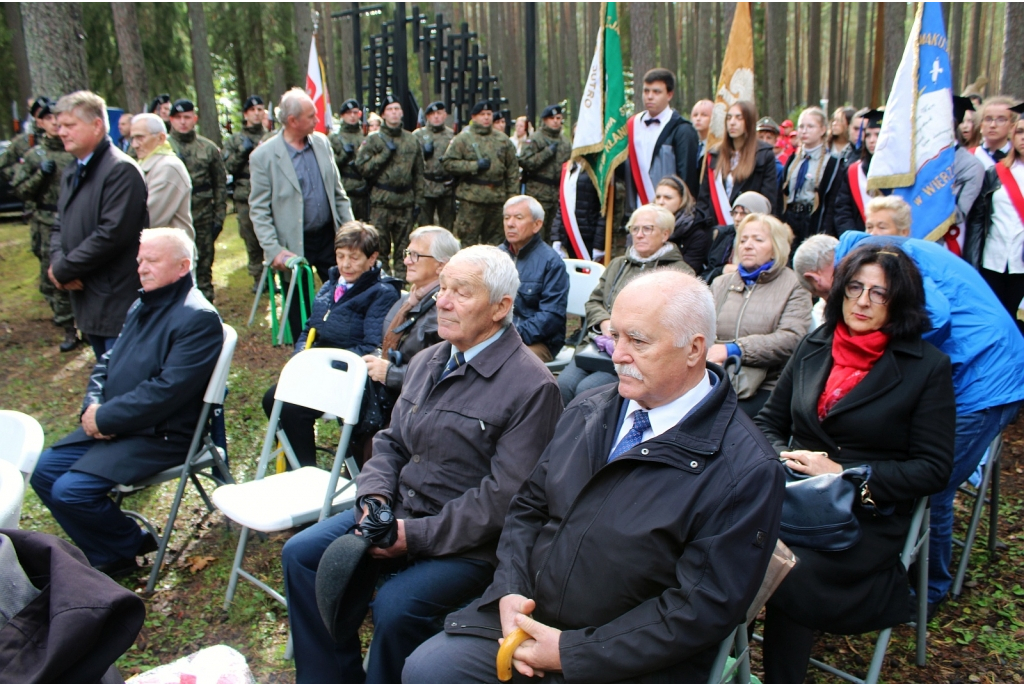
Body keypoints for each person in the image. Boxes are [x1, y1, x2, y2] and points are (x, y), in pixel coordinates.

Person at [404, 269, 787, 684]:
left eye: (637, 341)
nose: (617, 355)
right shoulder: (590, 408)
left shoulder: (744, 470)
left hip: (630, 663)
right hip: (531, 623)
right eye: (613, 337)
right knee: (428, 670)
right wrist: (510, 591)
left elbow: (701, 608)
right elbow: (528, 507)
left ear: (695, 350)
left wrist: (572, 653)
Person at [281, 245, 562, 683]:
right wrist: (373, 499)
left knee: (396, 606)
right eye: (443, 288)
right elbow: (390, 443)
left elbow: (503, 500)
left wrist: (413, 537)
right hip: (396, 513)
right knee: (302, 555)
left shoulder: (531, 386)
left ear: (500, 308)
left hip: (468, 545)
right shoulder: (429, 358)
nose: (442, 301)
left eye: (461, 292)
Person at [754, 244, 955, 683]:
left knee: (782, 566)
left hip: (863, 514)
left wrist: (846, 476)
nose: (862, 302)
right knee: (726, 541)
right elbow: (769, 421)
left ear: (900, 300)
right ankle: (716, 658)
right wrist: (782, 457)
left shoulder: (928, 368)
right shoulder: (816, 343)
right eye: (855, 288)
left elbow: (934, 469)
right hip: (792, 491)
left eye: (879, 294)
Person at [829, 229, 1024, 615]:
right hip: (980, 365)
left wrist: (884, 362)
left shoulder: (891, 264)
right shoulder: (897, 249)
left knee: (932, 486)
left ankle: (926, 589)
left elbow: (934, 315)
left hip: (984, 378)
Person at [31, 228, 223, 577]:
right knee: (44, 471)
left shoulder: (198, 317)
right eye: (140, 261)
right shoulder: (142, 302)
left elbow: (166, 392)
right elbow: (107, 360)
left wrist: (106, 419)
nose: (142, 268)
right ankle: (122, 544)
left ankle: (119, 551)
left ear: (182, 267)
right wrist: (93, 407)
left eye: (152, 260)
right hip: (119, 423)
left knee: (70, 492)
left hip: (161, 435)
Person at [261, 222, 402, 468]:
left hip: (348, 375)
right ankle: (300, 466)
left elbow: (370, 345)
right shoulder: (330, 285)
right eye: (340, 256)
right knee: (273, 398)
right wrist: (301, 358)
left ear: (372, 258)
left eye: (354, 258)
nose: (345, 264)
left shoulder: (381, 292)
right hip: (319, 368)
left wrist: (323, 366)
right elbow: (309, 330)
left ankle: (304, 472)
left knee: (292, 407)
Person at [558, 204, 693, 405]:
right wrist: (604, 322)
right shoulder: (618, 264)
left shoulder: (679, 273)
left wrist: (623, 332)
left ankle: (589, 436)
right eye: (634, 229)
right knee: (563, 385)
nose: (639, 235)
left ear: (665, 234)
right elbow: (594, 301)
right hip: (598, 346)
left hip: (636, 355)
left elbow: (673, 322)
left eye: (647, 229)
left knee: (587, 391)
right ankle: (564, 435)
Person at [48, 91, 150, 360]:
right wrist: (60, 268)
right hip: (87, 297)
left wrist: (63, 269)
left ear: (97, 125)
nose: (62, 132)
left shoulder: (120, 170)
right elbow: (60, 225)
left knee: (121, 383)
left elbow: (111, 234)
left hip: (116, 300)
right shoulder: (73, 170)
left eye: (70, 125)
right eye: (59, 126)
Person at [249, 88, 354, 335]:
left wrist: (351, 234)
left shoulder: (322, 143)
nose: (317, 121)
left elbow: (338, 193)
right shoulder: (264, 156)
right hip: (293, 246)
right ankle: (304, 358)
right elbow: (259, 210)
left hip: (331, 238)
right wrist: (273, 250)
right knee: (300, 312)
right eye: (311, 116)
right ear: (292, 121)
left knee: (347, 297)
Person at [708, 213, 812, 416]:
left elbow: (791, 338)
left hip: (766, 386)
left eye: (758, 239)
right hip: (714, 376)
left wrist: (734, 350)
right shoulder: (721, 283)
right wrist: (710, 353)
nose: (747, 245)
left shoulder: (794, 285)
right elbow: (699, 328)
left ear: (776, 246)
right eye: (743, 239)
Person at [362, 225, 460, 407]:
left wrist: (391, 374)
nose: (407, 261)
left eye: (416, 255)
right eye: (407, 253)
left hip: (420, 410)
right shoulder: (408, 299)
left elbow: (446, 374)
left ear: (441, 265)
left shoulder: (446, 311)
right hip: (394, 401)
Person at [10, 97, 78, 352]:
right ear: (41, 122)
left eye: (58, 119)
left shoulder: (76, 152)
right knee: (55, 275)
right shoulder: (35, 155)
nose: (54, 124)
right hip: (48, 222)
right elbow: (21, 191)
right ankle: (68, 328)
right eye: (49, 119)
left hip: (77, 219)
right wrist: (41, 174)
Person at [355, 94, 424, 280]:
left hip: (405, 202)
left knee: (404, 248)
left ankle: (402, 282)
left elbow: (418, 173)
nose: (394, 113)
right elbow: (362, 168)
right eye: (390, 110)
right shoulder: (373, 140)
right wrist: (384, 154)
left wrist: (418, 201)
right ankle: (383, 282)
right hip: (381, 203)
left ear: (402, 113)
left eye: (397, 109)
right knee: (380, 247)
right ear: (383, 114)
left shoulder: (411, 140)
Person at [966, 115, 1024, 336]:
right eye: (1020, 132)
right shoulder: (996, 173)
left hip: (1022, 265)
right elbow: (979, 221)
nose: (1023, 138)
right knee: (993, 323)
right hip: (993, 261)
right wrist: (972, 260)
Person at [167, 99, 226, 302]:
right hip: (172, 218)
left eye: (187, 117)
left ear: (195, 119)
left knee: (203, 269)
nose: (183, 122)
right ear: (170, 119)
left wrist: (219, 216)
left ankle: (206, 309)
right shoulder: (163, 147)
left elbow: (220, 184)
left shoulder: (208, 148)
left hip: (202, 218)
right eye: (178, 118)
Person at [498, 195, 569, 363]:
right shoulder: (496, 256)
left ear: (537, 225)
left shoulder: (551, 262)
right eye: (507, 218)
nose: (510, 223)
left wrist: (509, 336)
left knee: (504, 363)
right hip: (496, 336)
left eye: (518, 218)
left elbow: (551, 316)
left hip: (537, 342)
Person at [442, 100, 518, 246]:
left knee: (496, 243)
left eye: (489, 114)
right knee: (468, 241)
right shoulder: (463, 139)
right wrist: (474, 166)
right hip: (472, 200)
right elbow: (448, 163)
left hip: (497, 199)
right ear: (474, 117)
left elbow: (512, 171)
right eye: (482, 114)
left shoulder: (502, 140)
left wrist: (512, 199)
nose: (486, 117)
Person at [696, 101, 779, 232]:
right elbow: (704, 199)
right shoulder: (715, 154)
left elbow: (768, 199)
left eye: (738, 118)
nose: (732, 122)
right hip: (716, 230)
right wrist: (709, 228)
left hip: (749, 228)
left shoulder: (763, 155)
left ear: (749, 121)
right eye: (729, 118)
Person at [626, 68, 700, 205]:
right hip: (636, 209)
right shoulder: (632, 126)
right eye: (646, 91)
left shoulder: (683, 130)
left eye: (656, 92)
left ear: (669, 94)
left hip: (669, 211)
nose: (649, 96)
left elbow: (687, 178)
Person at [223, 95, 269, 290]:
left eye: (260, 109)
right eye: (252, 110)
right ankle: (258, 278)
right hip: (245, 195)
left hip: (269, 194)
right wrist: (244, 150)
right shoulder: (235, 140)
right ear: (245, 114)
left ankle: (271, 275)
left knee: (269, 236)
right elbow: (228, 166)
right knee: (251, 237)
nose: (257, 113)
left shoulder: (271, 136)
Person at [780, 107, 843, 249]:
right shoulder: (793, 160)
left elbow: (831, 201)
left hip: (813, 219)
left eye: (810, 126)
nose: (804, 131)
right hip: (791, 219)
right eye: (801, 126)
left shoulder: (831, 163)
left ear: (822, 130)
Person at [131, 113, 193, 238]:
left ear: (161, 138)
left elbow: (149, 219)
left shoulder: (168, 167)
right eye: (132, 138)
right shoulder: (147, 164)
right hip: (155, 252)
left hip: (170, 253)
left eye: (140, 138)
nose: (134, 145)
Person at [518, 104, 571, 240]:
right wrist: (547, 152)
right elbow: (525, 162)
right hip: (539, 192)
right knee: (537, 231)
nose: (555, 121)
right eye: (551, 118)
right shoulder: (536, 139)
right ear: (545, 120)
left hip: (558, 194)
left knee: (555, 233)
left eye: (558, 118)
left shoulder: (565, 142)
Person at [702, 191, 774, 284]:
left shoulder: (772, 240)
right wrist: (722, 270)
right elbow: (704, 277)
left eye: (744, 213)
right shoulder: (723, 236)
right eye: (735, 213)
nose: (737, 218)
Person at [833, 108, 883, 235]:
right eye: (868, 135)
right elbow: (843, 210)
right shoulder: (854, 171)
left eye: (878, 135)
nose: (872, 140)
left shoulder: (901, 172)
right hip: (860, 238)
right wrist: (854, 238)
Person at [414, 101, 456, 230]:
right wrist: (423, 154)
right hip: (426, 185)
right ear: (427, 117)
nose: (436, 116)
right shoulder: (418, 135)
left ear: (445, 115)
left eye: (439, 113)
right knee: (425, 227)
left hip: (446, 186)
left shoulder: (452, 135)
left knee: (447, 226)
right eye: (432, 114)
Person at [654, 174, 707, 273]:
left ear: (682, 200)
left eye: (667, 198)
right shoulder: (644, 225)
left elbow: (687, 271)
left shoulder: (695, 233)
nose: (661, 202)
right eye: (658, 197)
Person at [330, 98, 369, 222]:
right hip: (345, 191)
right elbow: (329, 165)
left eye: (355, 112)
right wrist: (343, 156)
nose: (352, 116)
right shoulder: (334, 138)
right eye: (348, 113)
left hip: (364, 191)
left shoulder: (365, 136)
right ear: (342, 115)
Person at [974, 96, 1017, 170]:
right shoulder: (971, 155)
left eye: (1001, 120)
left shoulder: (1018, 158)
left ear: (1012, 127)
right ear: (981, 125)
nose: (993, 125)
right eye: (988, 119)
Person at [756, 116, 786, 186]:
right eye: (761, 137)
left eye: (769, 138)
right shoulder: (747, 163)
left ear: (775, 141)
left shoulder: (778, 169)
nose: (764, 141)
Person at [691, 98, 713, 167]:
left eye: (704, 115)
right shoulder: (690, 144)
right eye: (695, 115)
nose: (698, 119)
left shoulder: (717, 147)